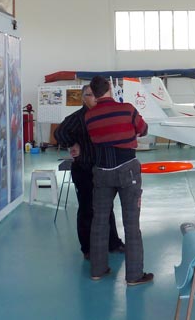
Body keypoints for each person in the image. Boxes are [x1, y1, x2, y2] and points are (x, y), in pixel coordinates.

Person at [84, 76, 153, 285]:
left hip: (101, 172)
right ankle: (134, 275)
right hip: (127, 170)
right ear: (109, 89)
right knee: (131, 224)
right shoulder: (127, 109)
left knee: (99, 222)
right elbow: (144, 129)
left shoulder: (89, 117)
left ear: (94, 93)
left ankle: (98, 270)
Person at [54, 85, 125, 260]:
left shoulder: (103, 115)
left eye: (97, 95)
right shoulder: (78, 117)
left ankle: (113, 243)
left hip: (104, 170)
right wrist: (72, 144)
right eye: (90, 95)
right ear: (83, 98)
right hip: (84, 170)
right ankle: (88, 248)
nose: (95, 98)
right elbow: (59, 133)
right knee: (87, 209)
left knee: (107, 207)